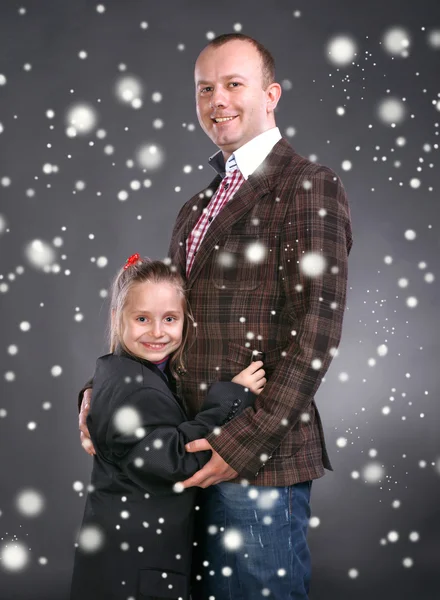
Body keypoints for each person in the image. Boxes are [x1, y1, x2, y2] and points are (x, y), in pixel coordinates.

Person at [80, 33, 353, 599]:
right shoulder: (198, 206)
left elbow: (316, 334)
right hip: (185, 455)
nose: (217, 100)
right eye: (206, 88)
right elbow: (166, 326)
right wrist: (104, 393)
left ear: (271, 94)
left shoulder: (307, 186)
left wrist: (239, 445)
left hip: (256, 463)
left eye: (234, 84)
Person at [71, 255, 266, 600]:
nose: (158, 332)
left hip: (124, 558)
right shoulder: (139, 389)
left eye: (170, 319)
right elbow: (172, 461)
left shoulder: (125, 371)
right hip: (136, 567)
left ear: (185, 321)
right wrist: (230, 398)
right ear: (118, 319)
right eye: (142, 318)